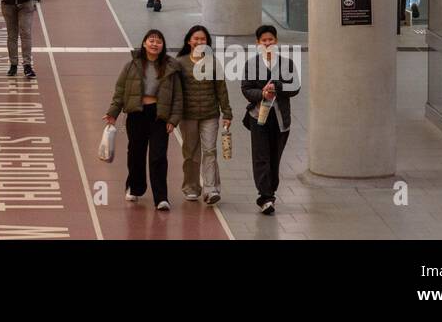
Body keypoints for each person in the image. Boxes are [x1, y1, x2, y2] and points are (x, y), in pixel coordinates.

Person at [105, 29, 183, 211]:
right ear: (144, 43)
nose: (155, 44)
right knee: (135, 153)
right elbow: (120, 90)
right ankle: (135, 187)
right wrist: (113, 113)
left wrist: (174, 119)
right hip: (137, 114)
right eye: (151, 40)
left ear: (163, 46)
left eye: (158, 41)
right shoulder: (132, 65)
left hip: (159, 115)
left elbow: (178, 97)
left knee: (158, 156)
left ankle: (161, 197)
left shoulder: (171, 67)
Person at [241, 24, 300, 215]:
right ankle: (265, 197)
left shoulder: (287, 63)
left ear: (276, 41)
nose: (267, 43)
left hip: (281, 119)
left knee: (275, 157)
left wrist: (277, 87)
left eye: (271, 39)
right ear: (258, 43)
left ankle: (270, 191)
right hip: (258, 117)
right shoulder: (251, 64)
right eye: (264, 40)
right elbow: (246, 89)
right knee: (261, 157)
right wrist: (262, 93)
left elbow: (295, 88)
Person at [176, 26, 232, 205]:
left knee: (210, 151)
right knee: (190, 153)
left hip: (210, 115)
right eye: (196, 39)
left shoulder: (213, 63)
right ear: (189, 41)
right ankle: (191, 187)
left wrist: (227, 112)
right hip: (187, 116)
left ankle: (211, 189)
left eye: (203, 39)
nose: (200, 42)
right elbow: (173, 91)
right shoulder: (180, 63)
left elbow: (221, 90)